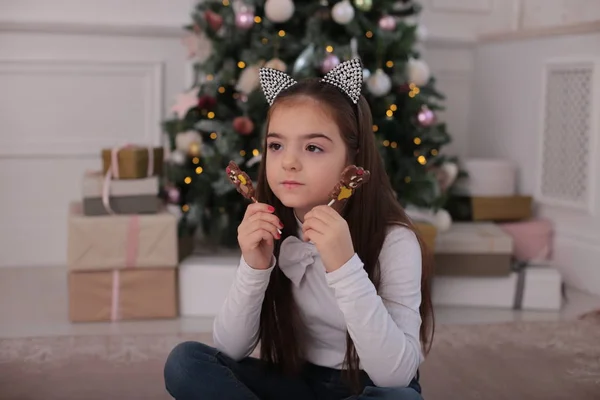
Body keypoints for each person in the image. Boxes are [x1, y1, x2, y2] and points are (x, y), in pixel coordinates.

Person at [164, 58, 435, 400]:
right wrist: (254, 266)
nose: (289, 161)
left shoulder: (395, 241)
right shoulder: (272, 225)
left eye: (313, 147)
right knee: (185, 363)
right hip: (295, 382)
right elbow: (229, 347)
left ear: (354, 160)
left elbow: (395, 375)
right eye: (276, 145)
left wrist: (346, 267)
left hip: (367, 384)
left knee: (401, 399)